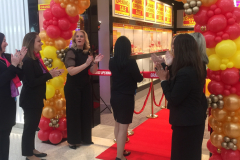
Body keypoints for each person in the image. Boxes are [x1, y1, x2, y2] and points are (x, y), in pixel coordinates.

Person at [155, 34, 207, 160]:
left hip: (187, 122)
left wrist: (163, 81)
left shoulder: (186, 73)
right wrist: (165, 65)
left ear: (181, 49)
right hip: (193, 120)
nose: (172, 49)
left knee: (182, 154)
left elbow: (173, 98)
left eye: (174, 46)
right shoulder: (196, 66)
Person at [20, 32, 64, 160]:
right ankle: (28, 154)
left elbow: (38, 77)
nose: (41, 43)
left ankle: (31, 149)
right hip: (30, 100)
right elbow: (32, 82)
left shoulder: (35, 58)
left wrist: (51, 73)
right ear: (31, 43)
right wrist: (50, 75)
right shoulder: (28, 61)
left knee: (33, 126)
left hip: (36, 98)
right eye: (39, 41)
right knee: (29, 127)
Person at [64, 30, 104, 149]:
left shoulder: (88, 52)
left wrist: (95, 63)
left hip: (85, 86)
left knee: (86, 112)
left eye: (82, 36)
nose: (80, 38)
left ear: (85, 39)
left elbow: (93, 71)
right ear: (74, 39)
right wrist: (86, 65)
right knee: (74, 114)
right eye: (77, 36)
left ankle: (85, 138)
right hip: (73, 87)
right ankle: (72, 141)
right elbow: (71, 71)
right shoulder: (71, 52)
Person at [109, 36, 143, 160]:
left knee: (117, 124)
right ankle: (119, 157)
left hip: (115, 95)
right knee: (124, 127)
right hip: (126, 97)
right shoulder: (131, 62)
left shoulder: (111, 61)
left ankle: (120, 150)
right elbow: (138, 78)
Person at [0, 32, 27, 160]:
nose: (7, 43)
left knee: (5, 136)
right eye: (4, 40)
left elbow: (18, 76)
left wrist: (20, 63)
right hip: (1, 105)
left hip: (9, 103)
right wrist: (14, 65)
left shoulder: (6, 57)